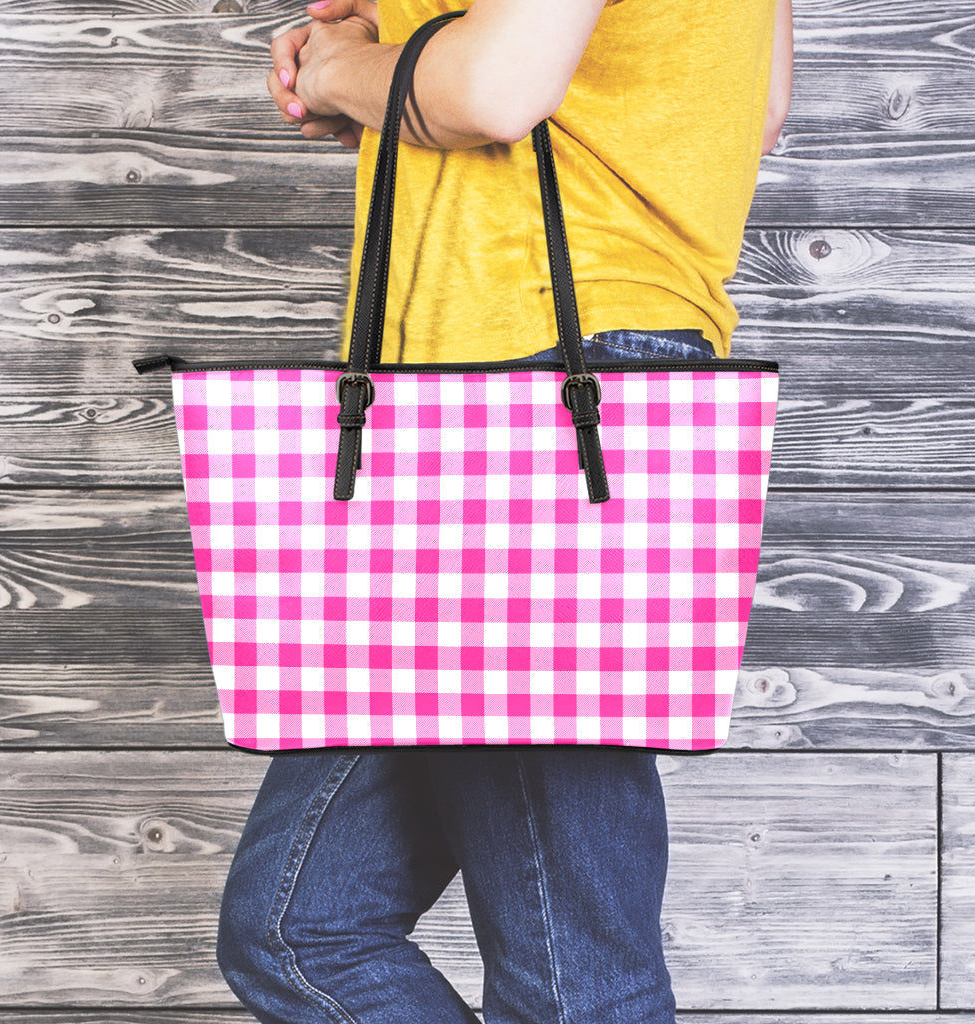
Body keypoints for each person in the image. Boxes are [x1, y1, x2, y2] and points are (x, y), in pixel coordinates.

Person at [216, 2, 793, 1023]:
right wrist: (390, 70)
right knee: (297, 927)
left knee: (573, 980)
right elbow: (746, 106)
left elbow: (493, 90)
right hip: (478, 407)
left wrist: (343, 67)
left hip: (534, 387)